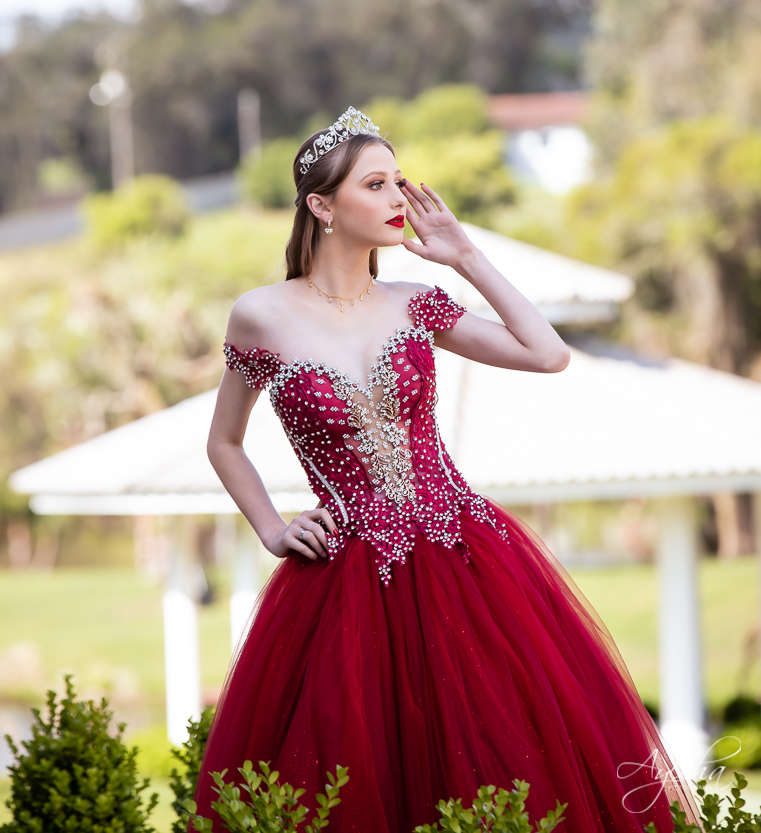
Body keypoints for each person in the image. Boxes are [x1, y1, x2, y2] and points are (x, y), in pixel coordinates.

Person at [194, 108, 697, 833]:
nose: (401, 198)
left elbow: (546, 354)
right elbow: (225, 442)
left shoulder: (414, 302)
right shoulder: (262, 315)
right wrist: (271, 528)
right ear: (321, 206)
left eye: (399, 180)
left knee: (504, 759)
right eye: (377, 184)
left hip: (467, 558)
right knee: (355, 774)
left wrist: (465, 257)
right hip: (342, 580)